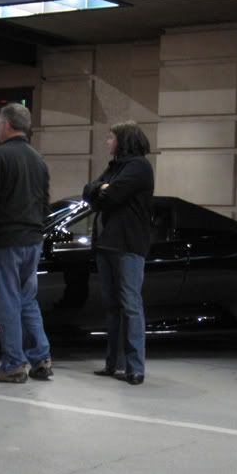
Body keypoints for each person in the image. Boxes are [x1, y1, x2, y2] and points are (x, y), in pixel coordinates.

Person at [0, 102, 52, 383]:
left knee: (7, 301)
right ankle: (41, 357)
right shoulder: (38, 158)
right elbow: (45, 203)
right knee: (27, 299)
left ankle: (14, 364)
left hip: (7, 240)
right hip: (33, 240)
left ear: (7, 124)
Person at [83, 121, 154, 385]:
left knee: (130, 306)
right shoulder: (116, 168)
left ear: (123, 140)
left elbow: (109, 197)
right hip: (107, 245)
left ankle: (135, 367)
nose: (107, 142)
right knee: (113, 307)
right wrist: (99, 189)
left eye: (110, 137)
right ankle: (114, 363)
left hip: (127, 246)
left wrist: (102, 190)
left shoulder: (139, 167)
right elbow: (88, 191)